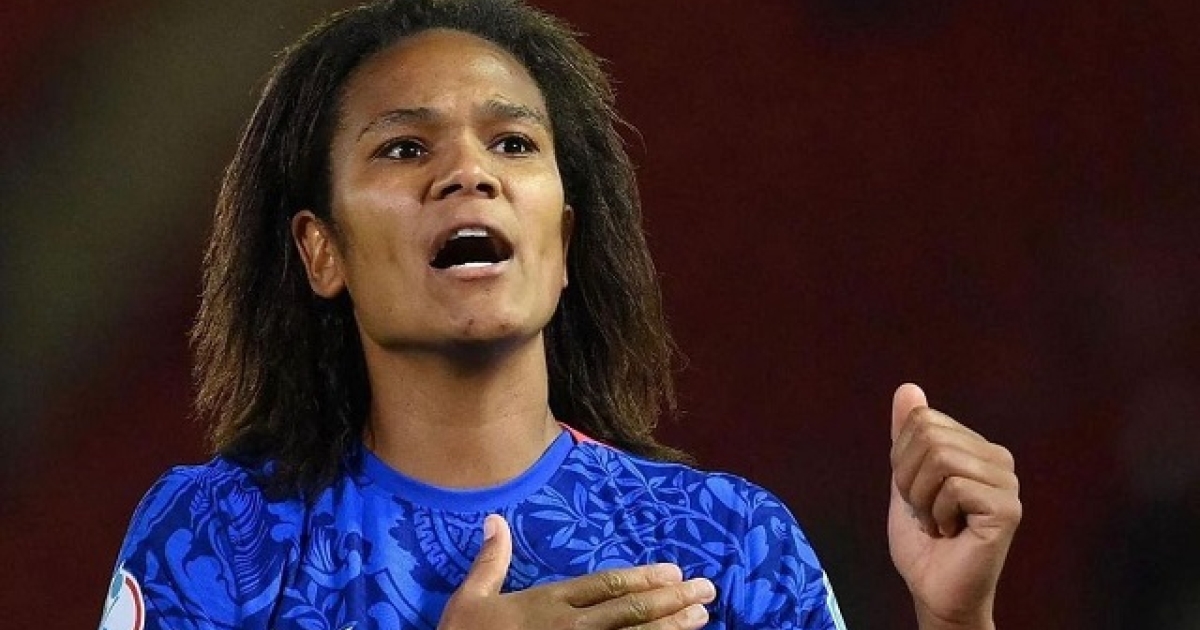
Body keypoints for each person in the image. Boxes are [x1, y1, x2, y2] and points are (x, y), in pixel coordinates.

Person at [98, 1, 1021, 629]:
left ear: (564, 238)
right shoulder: (215, 535)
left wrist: (954, 619)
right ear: (321, 250)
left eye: (512, 142)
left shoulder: (729, 541)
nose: (469, 172)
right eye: (406, 147)